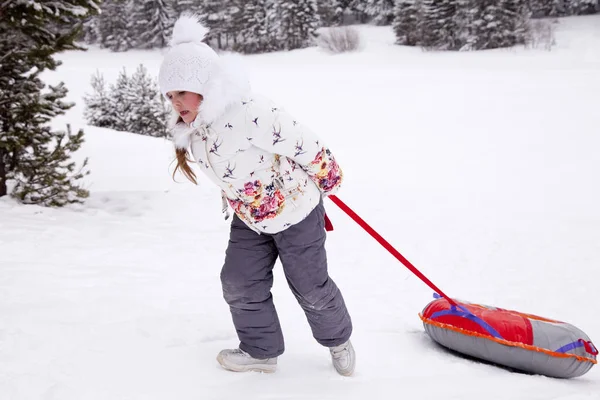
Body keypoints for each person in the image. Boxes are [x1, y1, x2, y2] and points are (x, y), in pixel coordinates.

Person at [158, 14, 355, 376]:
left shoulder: (249, 112)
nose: (175, 102)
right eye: (169, 95)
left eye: (181, 92)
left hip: (297, 211)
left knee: (310, 287)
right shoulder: (194, 129)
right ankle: (261, 351)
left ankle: (338, 341)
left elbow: (305, 143)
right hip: (251, 217)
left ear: (205, 85)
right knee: (238, 281)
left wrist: (327, 178)